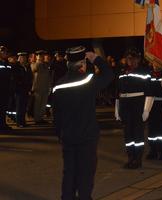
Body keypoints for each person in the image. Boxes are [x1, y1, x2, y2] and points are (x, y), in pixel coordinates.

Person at [53, 46, 113, 199]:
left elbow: (57, 115)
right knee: (85, 174)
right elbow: (109, 75)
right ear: (82, 64)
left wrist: (60, 134)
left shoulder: (58, 85)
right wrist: (96, 59)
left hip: (68, 137)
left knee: (69, 173)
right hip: (86, 137)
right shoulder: (89, 80)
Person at [115, 48, 153, 169]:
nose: (130, 61)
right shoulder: (122, 72)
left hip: (138, 104)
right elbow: (118, 92)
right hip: (125, 105)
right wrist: (117, 109)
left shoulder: (144, 71)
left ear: (138, 59)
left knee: (138, 135)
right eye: (128, 58)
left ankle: (138, 159)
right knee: (128, 134)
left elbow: (149, 91)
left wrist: (146, 109)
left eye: (133, 58)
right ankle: (130, 158)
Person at [146, 64, 162, 160]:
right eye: (153, 63)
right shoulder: (149, 74)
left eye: (157, 63)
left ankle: (161, 151)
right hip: (151, 103)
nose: (155, 65)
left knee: (161, 129)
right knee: (151, 128)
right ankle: (153, 150)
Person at [32, 50, 52, 123]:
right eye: (40, 56)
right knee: (38, 104)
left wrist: (49, 86)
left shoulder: (46, 65)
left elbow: (48, 76)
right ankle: (37, 118)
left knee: (43, 104)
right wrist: (38, 60)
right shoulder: (36, 64)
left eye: (43, 55)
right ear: (37, 56)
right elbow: (34, 70)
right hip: (38, 87)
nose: (42, 57)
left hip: (45, 87)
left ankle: (40, 118)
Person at [15, 52, 33, 127]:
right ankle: (19, 122)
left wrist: (29, 87)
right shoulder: (16, 66)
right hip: (19, 89)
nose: (24, 59)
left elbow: (30, 77)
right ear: (19, 58)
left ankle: (23, 121)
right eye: (22, 57)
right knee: (19, 106)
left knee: (24, 106)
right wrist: (20, 84)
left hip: (26, 89)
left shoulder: (27, 66)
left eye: (25, 57)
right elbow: (15, 78)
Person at [0, 46, 13, 130]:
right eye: (3, 52)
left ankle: (3, 124)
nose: (5, 54)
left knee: (3, 107)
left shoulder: (6, 62)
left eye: (5, 52)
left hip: (5, 88)